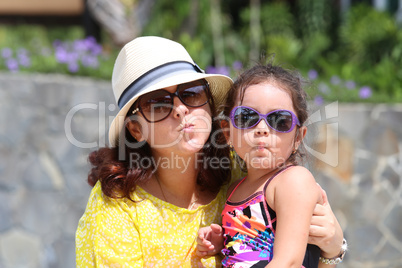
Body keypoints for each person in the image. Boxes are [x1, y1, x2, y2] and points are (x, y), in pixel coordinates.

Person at [75, 36, 345, 267]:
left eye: (190, 93)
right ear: (136, 131)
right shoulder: (117, 204)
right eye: (158, 103)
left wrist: (333, 248)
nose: (180, 109)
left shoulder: (241, 169)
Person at [196, 62, 347, 267]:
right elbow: (252, 245)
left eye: (279, 121)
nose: (262, 129)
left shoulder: (293, 180)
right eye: (246, 117)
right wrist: (222, 242)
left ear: (298, 138)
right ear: (227, 133)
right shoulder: (235, 188)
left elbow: (290, 261)